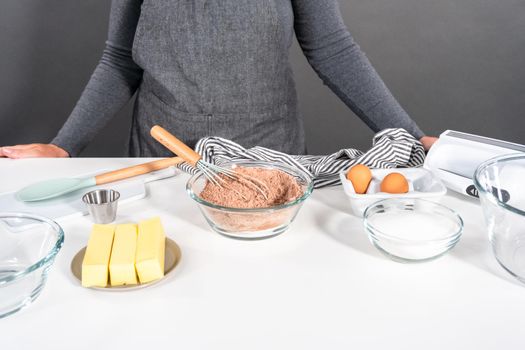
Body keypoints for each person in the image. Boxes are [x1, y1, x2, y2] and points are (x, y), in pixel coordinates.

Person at [0, 0, 437, 159]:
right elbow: (120, 59)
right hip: (164, 158)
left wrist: (413, 137)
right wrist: (62, 146)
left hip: (268, 158)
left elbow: (332, 50)